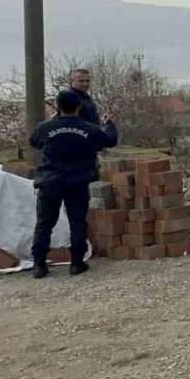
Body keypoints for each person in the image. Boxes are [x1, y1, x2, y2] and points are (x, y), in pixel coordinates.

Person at [28, 90, 119, 278]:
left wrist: (53, 118)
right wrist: (108, 123)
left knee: (44, 223)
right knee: (77, 222)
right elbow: (110, 140)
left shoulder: (44, 127)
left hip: (50, 181)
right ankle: (76, 263)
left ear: (57, 106)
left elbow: (34, 142)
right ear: (79, 106)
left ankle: (39, 265)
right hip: (77, 181)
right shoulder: (88, 128)